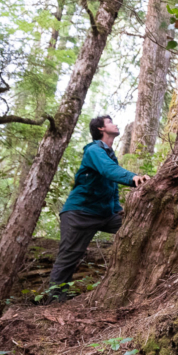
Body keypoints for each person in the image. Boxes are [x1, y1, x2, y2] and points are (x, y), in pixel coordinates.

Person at [46, 115, 149, 301]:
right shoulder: (94, 150)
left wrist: (119, 210)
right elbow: (108, 170)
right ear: (101, 129)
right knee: (69, 258)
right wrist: (133, 178)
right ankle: (54, 301)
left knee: (138, 226)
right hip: (80, 213)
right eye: (110, 122)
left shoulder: (109, 154)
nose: (115, 124)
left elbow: (110, 187)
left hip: (106, 214)